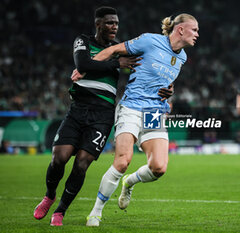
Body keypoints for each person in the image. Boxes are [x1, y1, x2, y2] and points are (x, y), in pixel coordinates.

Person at [33, 6, 172, 226]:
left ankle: (61, 211)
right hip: (78, 109)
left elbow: (153, 69)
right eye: (109, 23)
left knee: (81, 164)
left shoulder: (123, 49)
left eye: (116, 23)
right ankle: (50, 195)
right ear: (98, 23)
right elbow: (83, 64)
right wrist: (116, 64)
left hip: (104, 114)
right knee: (58, 158)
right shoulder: (84, 41)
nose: (114, 27)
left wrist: (169, 88)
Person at [85, 13, 199, 227]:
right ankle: (96, 212)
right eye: (195, 29)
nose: (197, 34)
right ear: (181, 29)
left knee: (159, 167)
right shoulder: (149, 40)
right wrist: (85, 67)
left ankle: (129, 183)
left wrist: (170, 91)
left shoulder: (181, 56)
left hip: (155, 112)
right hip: (132, 107)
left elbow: (165, 81)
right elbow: (112, 50)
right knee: (122, 161)